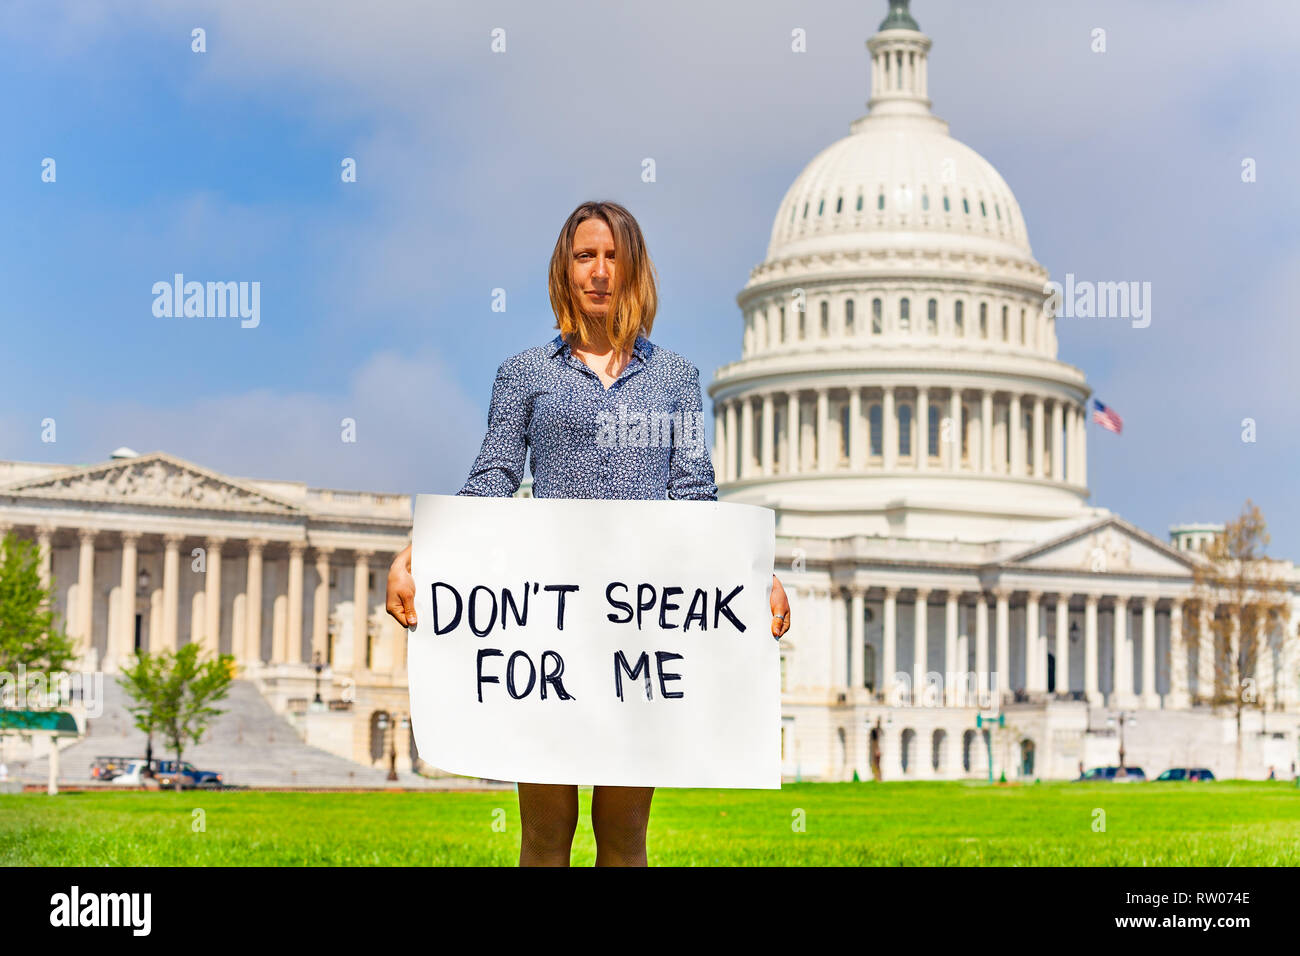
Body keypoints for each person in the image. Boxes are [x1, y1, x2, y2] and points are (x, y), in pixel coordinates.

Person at [387, 200, 791, 867]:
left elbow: (693, 493)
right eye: (585, 257)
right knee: (546, 835)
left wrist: (753, 575)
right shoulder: (524, 374)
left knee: (624, 834)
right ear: (564, 270)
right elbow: (491, 479)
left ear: (632, 271)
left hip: (636, 633)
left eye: (613, 258)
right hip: (551, 632)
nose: (599, 272)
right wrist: (418, 554)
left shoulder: (676, 380)